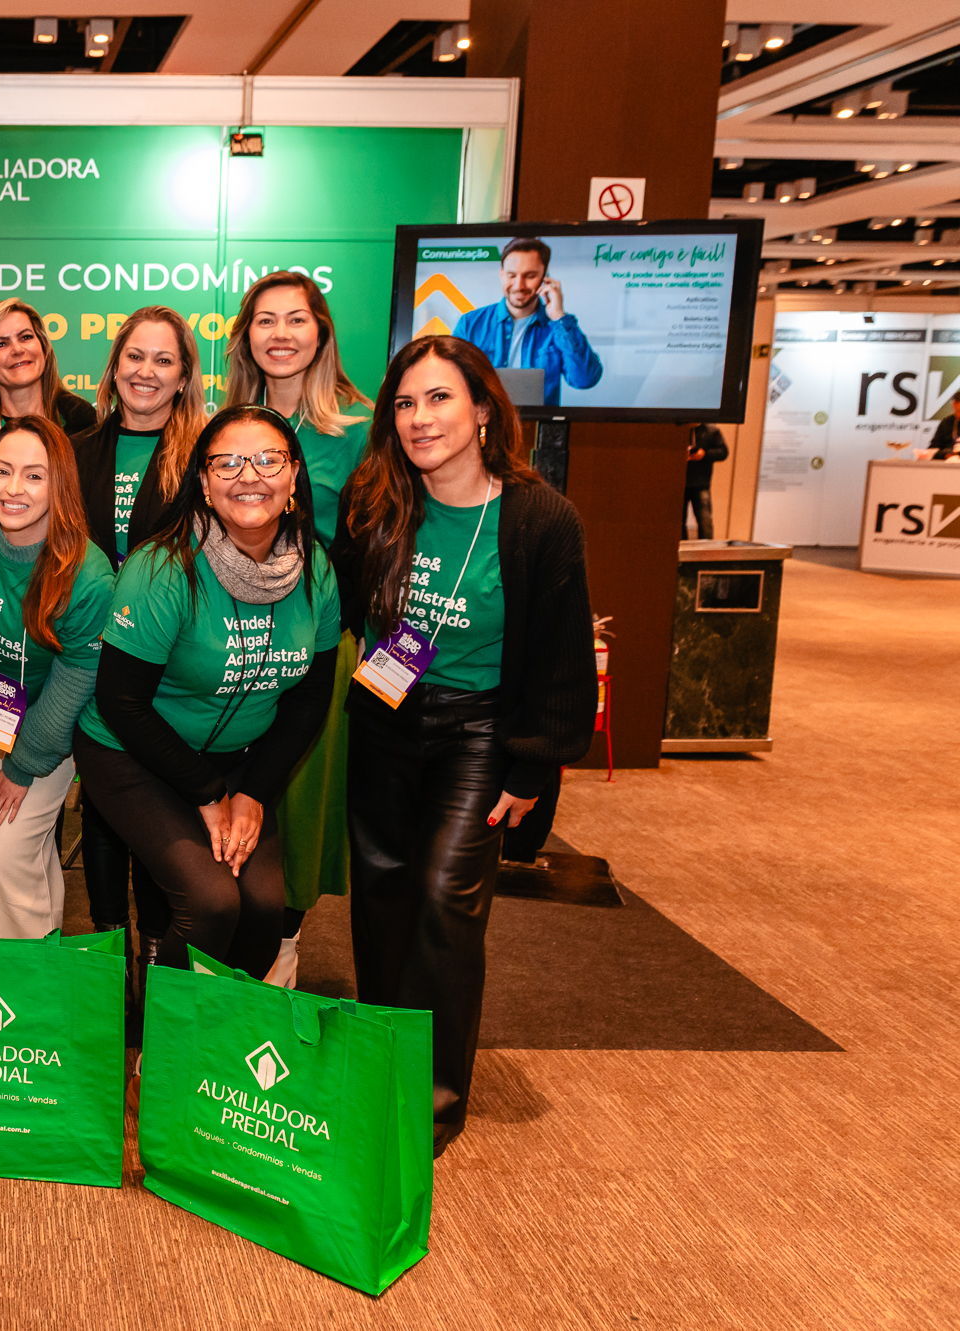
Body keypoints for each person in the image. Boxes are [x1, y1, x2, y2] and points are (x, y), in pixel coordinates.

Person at [336, 334, 596, 1157]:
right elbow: (335, 603)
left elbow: (562, 656)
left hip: (481, 733)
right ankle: (381, 1060)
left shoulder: (541, 518)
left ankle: (432, 1102)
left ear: (483, 408)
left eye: (439, 397)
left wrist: (533, 764)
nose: (420, 418)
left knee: (445, 900)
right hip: (385, 717)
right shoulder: (375, 503)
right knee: (380, 894)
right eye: (405, 403)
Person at [75, 405, 340, 979]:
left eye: (268, 459)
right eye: (228, 463)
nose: (250, 476)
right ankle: (157, 1031)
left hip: (238, 763)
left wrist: (253, 791)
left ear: (294, 475)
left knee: (264, 910)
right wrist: (209, 793)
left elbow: (310, 697)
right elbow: (122, 702)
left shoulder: (316, 567)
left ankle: (218, 1033)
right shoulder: (162, 567)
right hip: (132, 756)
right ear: (203, 481)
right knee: (212, 903)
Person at [223, 271, 374, 987]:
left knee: (300, 803)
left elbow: (378, 546)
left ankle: (284, 941)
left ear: (322, 332)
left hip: (315, 644)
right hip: (224, 642)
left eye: (296, 319)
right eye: (265, 320)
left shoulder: (361, 431)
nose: (280, 333)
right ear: (245, 336)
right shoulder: (222, 426)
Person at [69, 305, 208, 958]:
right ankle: (107, 949)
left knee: (157, 803)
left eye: (163, 359)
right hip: (90, 653)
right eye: (135, 356)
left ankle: (155, 950)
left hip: (168, 663)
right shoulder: (76, 452)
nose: (146, 371)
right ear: (115, 365)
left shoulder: (206, 456)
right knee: (102, 803)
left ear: (183, 377)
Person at [0, 417, 115, 938]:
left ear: (60, 482)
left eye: (34, 475)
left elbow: (78, 677)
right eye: (2, 471)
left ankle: (19, 972)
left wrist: (23, 767)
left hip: (50, 716)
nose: (14, 488)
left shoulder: (89, 575)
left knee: (7, 848)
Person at [452, 238, 603, 407]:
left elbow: (585, 379)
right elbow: (451, 382)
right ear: (501, 274)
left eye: (530, 276)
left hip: (537, 422)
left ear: (545, 277)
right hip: (485, 421)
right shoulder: (470, 324)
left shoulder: (558, 327)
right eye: (511, 275)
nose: (519, 285)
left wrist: (559, 317)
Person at [0, 297, 98, 449]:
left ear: (44, 348)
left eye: (26, 337)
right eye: (1, 344)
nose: (17, 349)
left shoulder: (80, 419)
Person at [683, 423, 729, 538]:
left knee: (705, 522)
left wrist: (704, 454)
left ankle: (706, 548)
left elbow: (723, 452)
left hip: (701, 483)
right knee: (677, 523)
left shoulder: (711, 431)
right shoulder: (678, 429)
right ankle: (679, 547)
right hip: (680, 483)